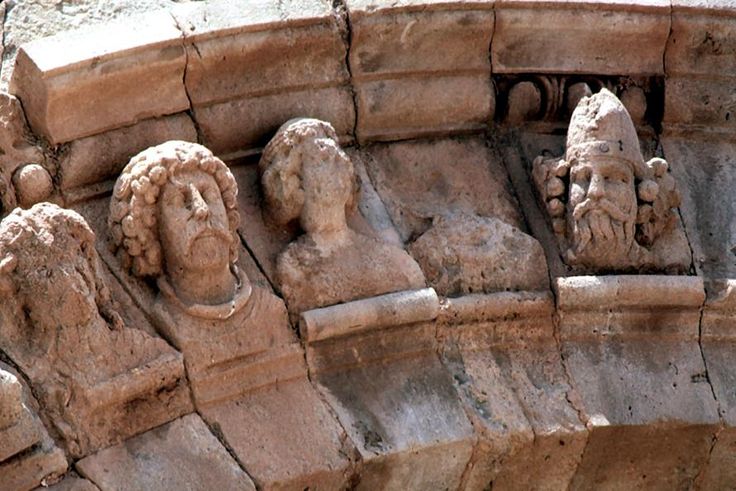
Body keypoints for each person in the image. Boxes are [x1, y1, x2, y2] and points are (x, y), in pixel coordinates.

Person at [260, 118, 425, 314]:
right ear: (294, 184)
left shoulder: (393, 261)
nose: (339, 165)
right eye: (322, 159)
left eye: (338, 157)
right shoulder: (295, 269)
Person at [533, 89, 686, 271]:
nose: (595, 192)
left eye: (613, 177)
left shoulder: (675, 260)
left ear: (638, 193)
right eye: (583, 178)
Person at [109, 141, 251, 317]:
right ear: (151, 231)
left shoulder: (273, 310)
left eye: (210, 195)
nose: (202, 210)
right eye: (179, 201)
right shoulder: (161, 322)